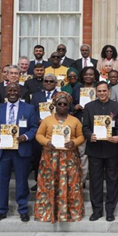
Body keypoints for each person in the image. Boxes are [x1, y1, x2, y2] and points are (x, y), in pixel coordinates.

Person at [0, 83, 38, 223]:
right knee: (2, 182)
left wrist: (26, 136)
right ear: (5, 92)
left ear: (20, 92)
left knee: (22, 182)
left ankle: (23, 210)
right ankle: (1, 210)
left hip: (21, 150)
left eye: (15, 90)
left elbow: (34, 127)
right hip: (3, 151)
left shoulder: (28, 109)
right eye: (9, 90)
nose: (12, 92)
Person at [35, 92, 85, 222]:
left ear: (69, 106)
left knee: (70, 185)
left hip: (69, 158)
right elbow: (39, 135)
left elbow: (81, 136)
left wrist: (74, 142)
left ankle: (69, 213)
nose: (62, 106)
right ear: (55, 105)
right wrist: (47, 142)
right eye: (59, 104)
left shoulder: (75, 121)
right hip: (50, 157)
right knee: (49, 184)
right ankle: (48, 212)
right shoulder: (47, 120)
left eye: (65, 104)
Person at [82, 81, 118, 222]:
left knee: (112, 181)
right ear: (95, 92)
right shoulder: (89, 107)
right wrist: (89, 135)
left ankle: (110, 210)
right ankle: (97, 210)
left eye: (104, 91)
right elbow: (85, 127)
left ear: (109, 92)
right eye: (99, 91)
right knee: (95, 181)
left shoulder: (117, 107)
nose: (102, 93)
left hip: (112, 149)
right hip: (94, 149)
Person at [30, 74, 60, 190]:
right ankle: (39, 182)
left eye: (51, 81)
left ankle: (55, 181)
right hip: (40, 131)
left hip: (56, 131)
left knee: (55, 158)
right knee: (38, 158)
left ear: (55, 83)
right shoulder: (36, 96)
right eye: (46, 81)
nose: (48, 83)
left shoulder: (60, 96)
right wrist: (39, 120)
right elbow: (31, 111)